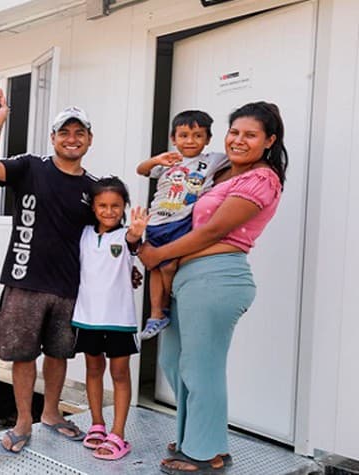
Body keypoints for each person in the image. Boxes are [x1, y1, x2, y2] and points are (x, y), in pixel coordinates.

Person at [137, 102, 288, 473]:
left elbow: (213, 231)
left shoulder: (261, 179)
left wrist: (157, 255)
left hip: (217, 276)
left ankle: (205, 454)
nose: (239, 140)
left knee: (202, 368)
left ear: (269, 141)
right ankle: (195, 438)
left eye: (250, 135)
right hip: (188, 277)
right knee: (174, 362)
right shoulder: (219, 170)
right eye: (234, 132)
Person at [0, 85, 98, 454]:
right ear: (53, 137)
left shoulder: (95, 189)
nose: (72, 139)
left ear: (90, 139)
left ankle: (51, 413)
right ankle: (22, 421)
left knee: (59, 353)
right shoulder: (31, 167)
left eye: (79, 133)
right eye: (65, 132)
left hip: (69, 287)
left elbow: (102, 240)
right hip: (24, 282)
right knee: (23, 355)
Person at [73, 176, 148, 461]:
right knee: (93, 371)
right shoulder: (83, 234)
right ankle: (97, 424)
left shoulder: (126, 235)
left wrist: (137, 232)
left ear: (124, 207)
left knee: (119, 375)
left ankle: (118, 434)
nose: (108, 211)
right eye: (102, 205)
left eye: (115, 205)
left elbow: (132, 243)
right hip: (87, 318)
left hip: (119, 320)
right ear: (93, 207)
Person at [136, 111, 228, 340]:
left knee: (167, 266)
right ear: (173, 138)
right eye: (184, 135)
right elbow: (141, 169)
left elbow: (240, 161)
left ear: (207, 139)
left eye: (198, 135)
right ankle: (156, 314)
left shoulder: (213, 160)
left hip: (181, 221)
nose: (190, 141)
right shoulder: (169, 161)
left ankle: (170, 301)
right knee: (155, 268)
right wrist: (157, 160)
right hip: (156, 221)